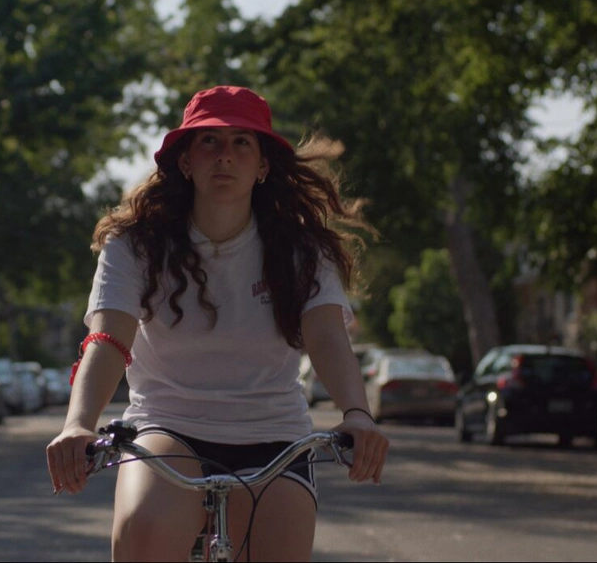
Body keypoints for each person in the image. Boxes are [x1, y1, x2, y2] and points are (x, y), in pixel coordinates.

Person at [46, 85, 390, 561]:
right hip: (168, 425)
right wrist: (78, 424)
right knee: (144, 531)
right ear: (186, 161)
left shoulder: (303, 250)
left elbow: (328, 338)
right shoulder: (134, 243)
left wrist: (357, 414)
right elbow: (107, 340)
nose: (224, 155)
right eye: (209, 140)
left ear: (263, 165)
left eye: (241, 142)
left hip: (274, 435)